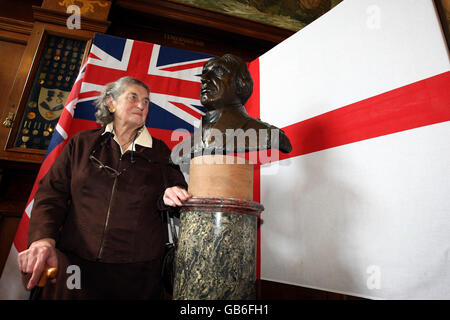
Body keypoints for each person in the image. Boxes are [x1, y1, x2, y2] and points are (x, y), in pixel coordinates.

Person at [17, 76, 191, 299]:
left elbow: (177, 192)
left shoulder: (161, 152)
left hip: (137, 276)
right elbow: (52, 194)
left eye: (146, 101)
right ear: (111, 103)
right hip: (75, 266)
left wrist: (169, 194)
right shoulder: (81, 144)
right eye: (133, 97)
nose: (141, 105)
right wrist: (43, 240)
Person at [172, 54, 292, 163]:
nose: (204, 79)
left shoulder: (268, 135)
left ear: (241, 84)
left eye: (218, 72)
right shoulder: (179, 150)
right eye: (204, 73)